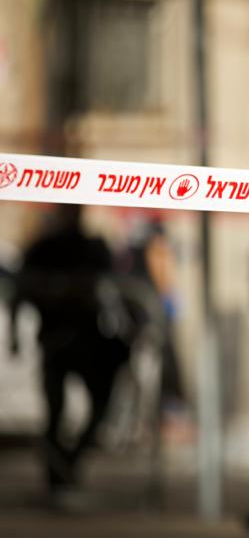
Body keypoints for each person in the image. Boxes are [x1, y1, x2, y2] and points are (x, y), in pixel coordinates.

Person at [9, 204, 130, 493]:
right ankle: (58, 472)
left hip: (88, 341)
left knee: (97, 406)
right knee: (56, 411)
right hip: (56, 341)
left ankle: (66, 463)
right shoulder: (44, 249)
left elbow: (115, 288)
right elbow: (21, 293)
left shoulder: (91, 248)